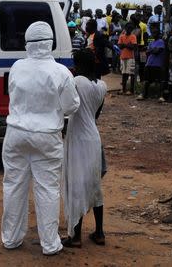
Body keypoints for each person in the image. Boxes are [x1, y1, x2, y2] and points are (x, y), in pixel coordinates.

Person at [1, 21, 80, 256]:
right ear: (50, 43)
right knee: (47, 189)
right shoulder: (60, 72)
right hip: (47, 136)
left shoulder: (16, 67)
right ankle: (50, 244)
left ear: (27, 43)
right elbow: (71, 106)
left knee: (13, 185)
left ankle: (11, 238)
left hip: (15, 133)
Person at [62, 48, 107, 248]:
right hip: (93, 137)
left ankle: (76, 236)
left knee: (76, 185)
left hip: (78, 137)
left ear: (79, 65)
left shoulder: (77, 82)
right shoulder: (102, 86)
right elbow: (95, 115)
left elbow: (67, 107)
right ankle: (99, 233)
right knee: (94, 187)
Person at [137, 23, 165, 101]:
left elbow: (157, 51)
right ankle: (143, 94)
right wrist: (151, 50)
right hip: (149, 63)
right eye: (153, 33)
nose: (153, 34)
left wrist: (150, 50)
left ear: (159, 34)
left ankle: (161, 96)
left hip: (158, 64)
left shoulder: (161, 41)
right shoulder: (151, 42)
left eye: (155, 33)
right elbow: (148, 52)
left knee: (159, 81)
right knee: (146, 80)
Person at [118, 22, 137, 95]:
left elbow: (134, 47)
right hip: (123, 57)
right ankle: (124, 89)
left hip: (130, 57)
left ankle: (131, 90)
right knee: (124, 73)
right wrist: (128, 45)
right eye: (127, 28)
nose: (128, 30)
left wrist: (124, 45)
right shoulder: (122, 36)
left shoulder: (133, 36)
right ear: (125, 29)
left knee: (131, 73)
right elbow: (120, 46)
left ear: (132, 29)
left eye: (130, 29)